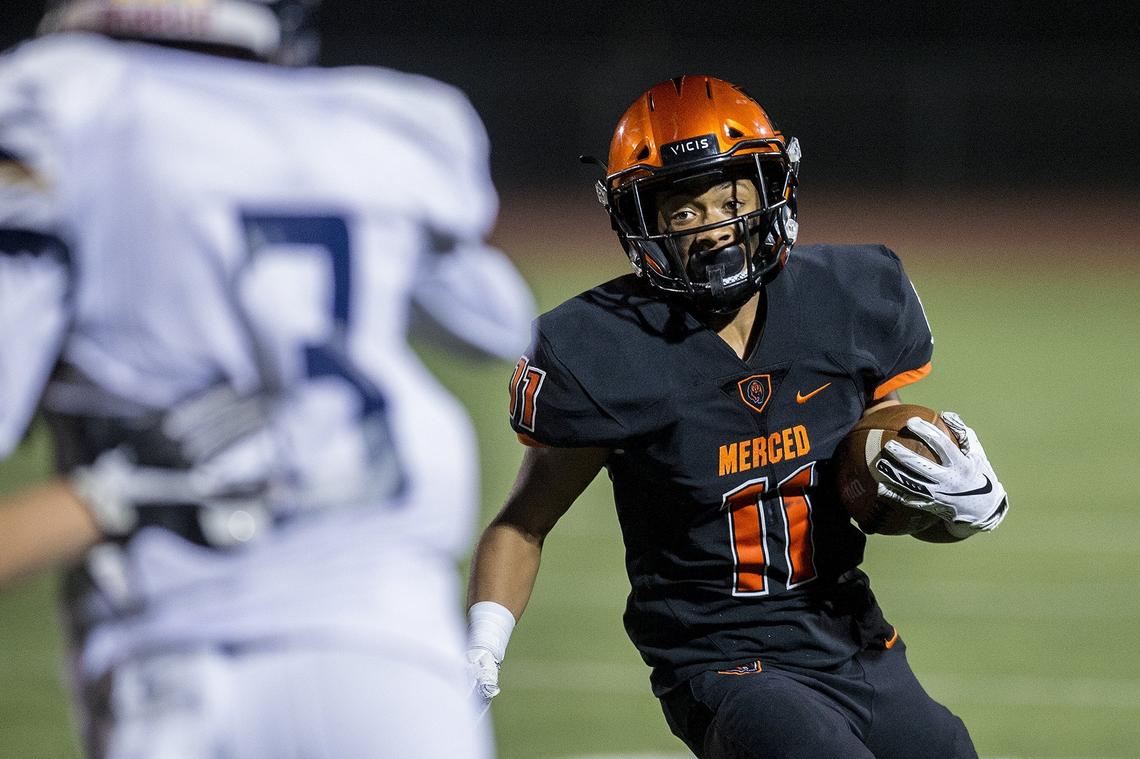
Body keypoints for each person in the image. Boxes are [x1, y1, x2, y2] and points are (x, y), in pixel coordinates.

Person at [0, 1, 535, 757]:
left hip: (184, 646)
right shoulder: (381, 122)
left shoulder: (62, 100)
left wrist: (107, 490)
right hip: (397, 646)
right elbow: (493, 321)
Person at [466, 75, 1008, 758]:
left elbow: (882, 471)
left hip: (848, 637)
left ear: (771, 187)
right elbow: (524, 520)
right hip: (719, 659)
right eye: (684, 210)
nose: (715, 225)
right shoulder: (599, 349)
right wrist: (482, 648)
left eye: (730, 196)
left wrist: (957, 502)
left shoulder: (847, 297)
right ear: (643, 221)